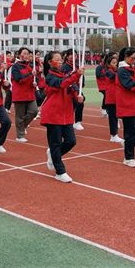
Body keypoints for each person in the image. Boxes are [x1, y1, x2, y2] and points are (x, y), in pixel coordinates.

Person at [41, 51, 84, 182]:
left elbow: (72, 87)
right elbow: (62, 84)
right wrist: (75, 75)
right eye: (57, 60)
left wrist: (78, 96)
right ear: (49, 62)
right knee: (55, 143)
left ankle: (53, 156)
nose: (60, 62)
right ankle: (60, 171)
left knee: (71, 141)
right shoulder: (49, 77)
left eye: (61, 60)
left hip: (66, 114)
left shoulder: (65, 75)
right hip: (53, 114)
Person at [10, 47, 38, 142]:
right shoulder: (16, 66)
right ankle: (20, 135)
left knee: (34, 111)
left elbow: (31, 79)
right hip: (19, 95)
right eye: (24, 53)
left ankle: (22, 126)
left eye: (28, 54)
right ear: (19, 55)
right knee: (20, 115)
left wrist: (34, 83)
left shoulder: (30, 66)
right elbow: (19, 79)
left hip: (30, 94)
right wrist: (31, 75)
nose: (27, 55)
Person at [103, 53, 124, 143]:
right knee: (113, 117)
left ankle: (115, 134)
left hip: (118, 98)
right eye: (113, 62)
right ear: (109, 64)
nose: (116, 64)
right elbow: (113, 76)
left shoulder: (117, 71)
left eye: (117, 62)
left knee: (117, 116)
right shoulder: (108, 72)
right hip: (111, 99)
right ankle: (113, 135)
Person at [62, 49, 85, 130]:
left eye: (75, 55)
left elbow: (82, 76)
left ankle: (77, 121)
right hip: (69, 88)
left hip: (77, 88)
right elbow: (65, 78)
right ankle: (68, 122)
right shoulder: (64, 66)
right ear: (67, 56)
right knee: (70, 105)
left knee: (80, 102)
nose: (73, 57)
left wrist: (82, 84)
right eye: (71, 55)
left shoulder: (78, 65)